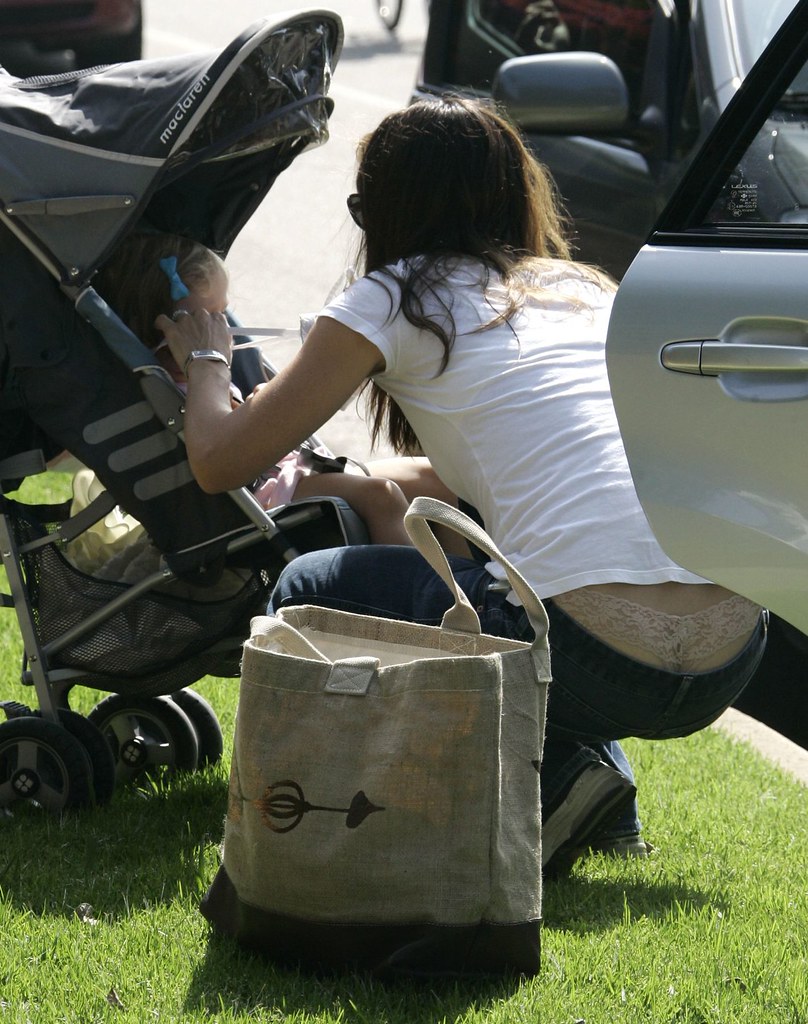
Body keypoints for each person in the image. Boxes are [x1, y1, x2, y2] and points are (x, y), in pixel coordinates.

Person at [155, 97, 767, 877]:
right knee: (525, 570)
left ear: (388, 210)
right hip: (728, 654)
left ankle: (308, 811)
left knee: (312, 584)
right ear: (518, 193)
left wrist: (208, 347)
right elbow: (512, 478)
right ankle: (599, 805)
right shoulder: (586, 289)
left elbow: (218, 460)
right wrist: (363, 482)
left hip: (595, 658)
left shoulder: (393, 299)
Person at [94, 232, 422, 547]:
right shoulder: (166, 385)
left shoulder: (194, 375)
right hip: (257, 493)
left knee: (425, 479)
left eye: (224, 315)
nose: (225, 331)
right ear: (170, 328)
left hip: (282, 472)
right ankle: (423, 600)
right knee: (382, 496)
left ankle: (467, 590)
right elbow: (213, 444)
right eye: (213, 319)